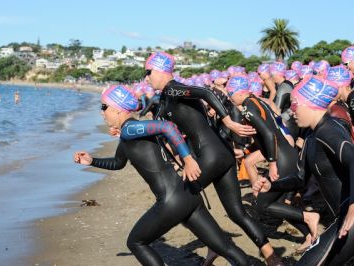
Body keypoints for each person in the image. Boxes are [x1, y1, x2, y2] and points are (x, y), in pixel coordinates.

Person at [74, 85, 250, 266]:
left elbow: (167, 127)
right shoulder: (130, 132)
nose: (102, 113)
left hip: (170, 200)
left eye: (104, 107)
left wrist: (188, 159)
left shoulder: (129, 130)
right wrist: (92, 161)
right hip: (187, 195)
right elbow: (118, 163)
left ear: (118, 109)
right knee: (225, 247)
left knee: (136, 242)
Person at [144, 51, 283, 265]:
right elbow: (154, 117)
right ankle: (270, 255)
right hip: (222, 154)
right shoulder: (165, 97)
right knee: (236, 212)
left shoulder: (174, 87)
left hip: (209, 156)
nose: (146, 77)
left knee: (180, 204)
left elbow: (205, 93)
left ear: (161, 70)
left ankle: (215, 245)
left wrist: (227, 121)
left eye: (149, 72)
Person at [253, 76, 354, 265]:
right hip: (342, 217)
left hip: (350, 217)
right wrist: (272, 185)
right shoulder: (311, 137)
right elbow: (301, 178)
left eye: (294, 104)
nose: (291, 111)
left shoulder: (330, 130)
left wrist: (353, 207)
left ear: (310, 104)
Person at [226, 75, 319, 252]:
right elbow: (266, 134)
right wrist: (246, 151)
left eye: (231, 93)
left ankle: (309, 216)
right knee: (278, 203)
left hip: (281, 157)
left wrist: (273, 163)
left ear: (240, 92)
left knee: (262, 204)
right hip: (285, 154)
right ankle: (309, 234)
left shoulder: (247, 106)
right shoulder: (256, 102)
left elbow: (269, 134)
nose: (230, 97)